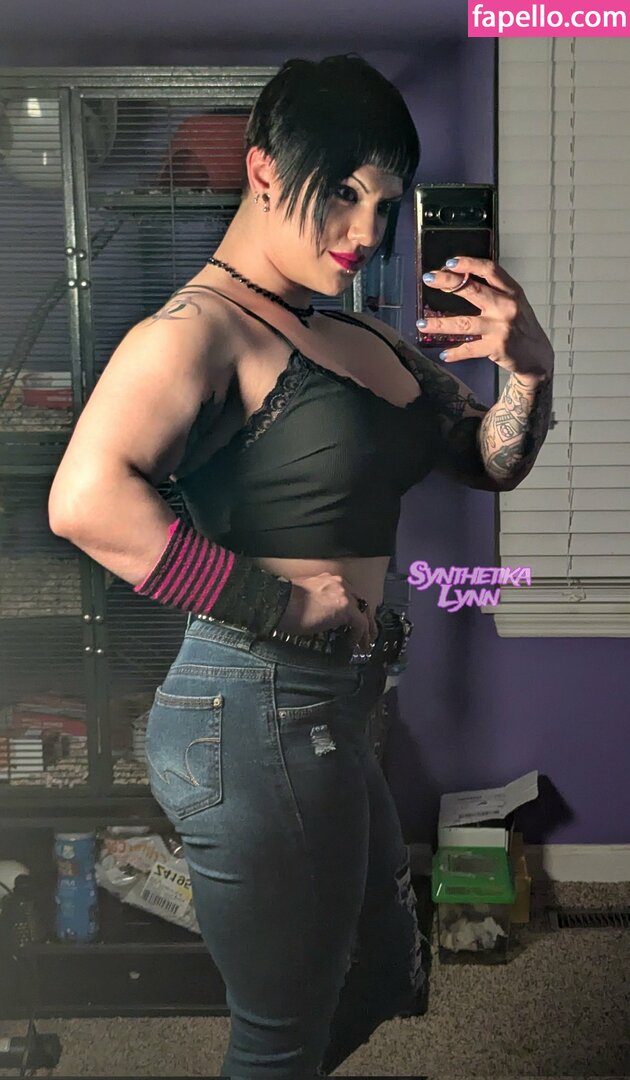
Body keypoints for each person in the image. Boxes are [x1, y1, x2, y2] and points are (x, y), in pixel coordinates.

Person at [48, 53, 554, 1079]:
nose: (365, 232)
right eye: (343, 195)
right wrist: (277, 603)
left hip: (333, 704)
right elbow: (83, 503)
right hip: (249, 707)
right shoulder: (196, 329)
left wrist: (528, 372)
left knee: (385, 972)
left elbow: (488, 462)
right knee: (278, 1035)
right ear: (265, 173)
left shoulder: (359, 331)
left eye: (385, 205)